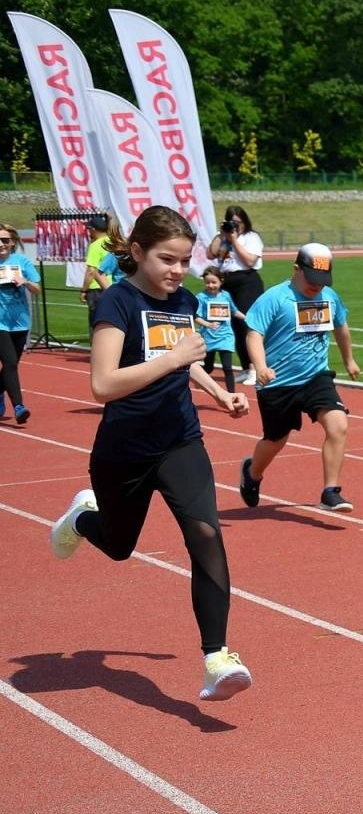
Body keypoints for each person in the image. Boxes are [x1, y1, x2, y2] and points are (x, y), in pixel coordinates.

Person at [46, 205, 253, 702]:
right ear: (137, 252)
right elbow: (103, 384)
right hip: (125, 450)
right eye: (167, 259)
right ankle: (81, 520)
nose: (178, 271)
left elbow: (185, 359)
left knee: (205, 534)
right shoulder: (115, 303)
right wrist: (175, 359)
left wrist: (217, 394)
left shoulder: (182, 300)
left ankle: (217, 658)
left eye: (184, 261)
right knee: (119, 547)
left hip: (180, 439)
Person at [238, 243, 362, 513]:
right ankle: (252, 473)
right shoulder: (274, 298)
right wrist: (259, 366)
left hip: (316, 376)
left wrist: (349, 359)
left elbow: (341, 327)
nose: (316, 287)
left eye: (322, 281)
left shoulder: (329, 297)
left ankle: (331, 491)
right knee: (275, 440)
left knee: (338, 424)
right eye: (311, 280)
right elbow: (253, 334)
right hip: (278, 382)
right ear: (297, 269)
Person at [207, 204, 265, 385]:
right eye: (231, 222)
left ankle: (256, 368)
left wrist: (234, 240)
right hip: (227, 281)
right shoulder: (223, 238)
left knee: (247, 324)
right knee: (234, 326)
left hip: (246, 281)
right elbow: (210, 254)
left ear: (244, 222)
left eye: (238, 223)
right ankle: (247, 368)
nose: (235, 226)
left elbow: (249, 260)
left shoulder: (251, 237)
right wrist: (221, 234)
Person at [0, 223, 41, 425]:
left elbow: (37, 289)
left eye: (5, 240)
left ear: (12, 242)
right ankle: (19, 406)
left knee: (12, 364)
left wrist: (23, 280)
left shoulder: (22, 261)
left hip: (20, 322)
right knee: (8, 363)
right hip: (0, 323)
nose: (1, 244)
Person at [194, 264, 245, 394]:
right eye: (207, 283)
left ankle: (232, 396)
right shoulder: (201, 297)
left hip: (225, 336)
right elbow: (195, 316)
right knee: (209, 368)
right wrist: (208, 324)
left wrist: (248, 319)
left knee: (227, 368)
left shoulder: (226, 296)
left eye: (214, 282)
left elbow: (234, 311)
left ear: (221, 281)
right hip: (209, 337)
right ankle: (198, 378)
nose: (211, 285)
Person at [80, 212, 118, 316]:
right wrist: (109, 219)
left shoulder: (95, 246)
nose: (88, 232)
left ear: (93, 229)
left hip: (97, 289)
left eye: (89, 229)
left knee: (96, 321)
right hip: (112, 286)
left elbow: (91, 271)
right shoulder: (113, 241)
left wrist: (84, 291)